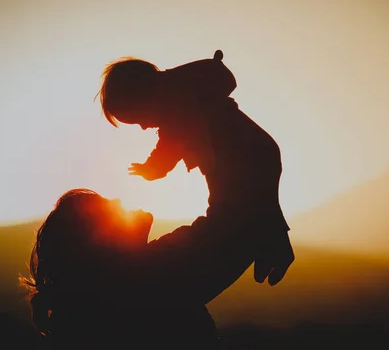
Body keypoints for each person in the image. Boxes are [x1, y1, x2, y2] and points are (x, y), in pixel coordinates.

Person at [95, 50, 293, 285]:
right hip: (256, 152)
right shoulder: (184, 97)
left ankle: (267, 246)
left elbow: (168, 148)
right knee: (259, 207)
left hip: (239, 159)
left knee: (228, 213)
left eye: (139, 118)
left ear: (145, 97)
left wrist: (152, 169)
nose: (143, 127)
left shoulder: (177, 106)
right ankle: (272, 247)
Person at [21, 188, 294, 349]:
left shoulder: (82, 306)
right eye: (106, 210)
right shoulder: (152, 274)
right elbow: (235, 224)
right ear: (100, 243)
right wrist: (271, 220)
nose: (118, 202)